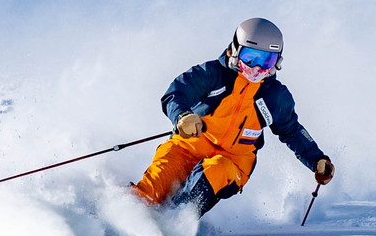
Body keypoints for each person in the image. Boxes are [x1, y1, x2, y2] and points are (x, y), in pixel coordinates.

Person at [132, 18, 334, 217]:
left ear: (277, 61)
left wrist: (316, 159)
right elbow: (175, 94)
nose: (257, 68)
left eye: (267, 60)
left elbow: (292, 131)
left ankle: (176, 221)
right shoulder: (212, 75)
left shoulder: (275, 97)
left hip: (233, 163)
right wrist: (182, 116)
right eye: (251, 57)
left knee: (217, 170)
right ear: (236, 49)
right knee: (158, 181)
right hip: (186, 148)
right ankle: (121, 216)